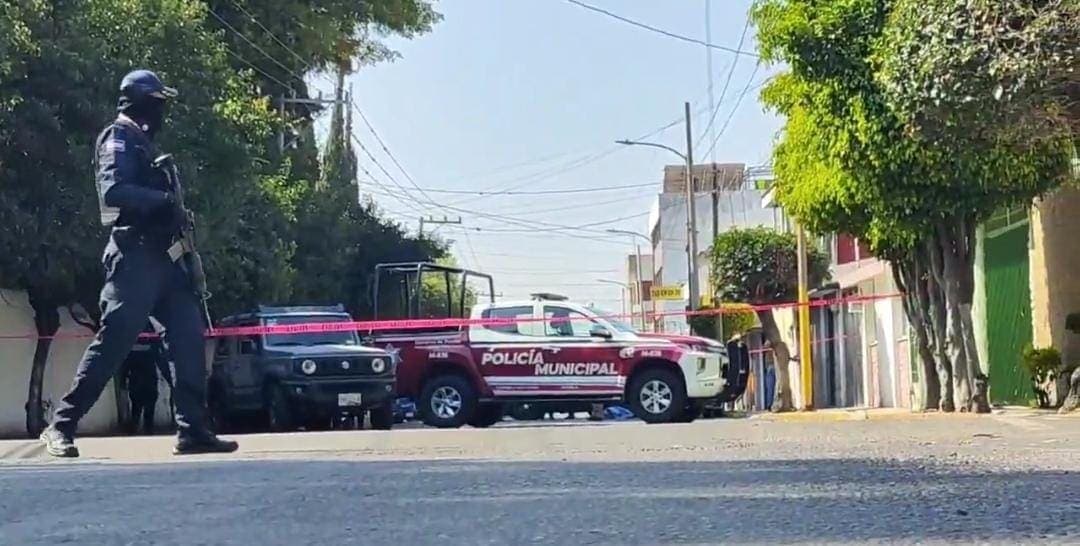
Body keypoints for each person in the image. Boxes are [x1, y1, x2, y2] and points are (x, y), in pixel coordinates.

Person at [39, 69, 237, 457]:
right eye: (158, 102)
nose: (163, 111)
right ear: (141, 102)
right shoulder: (118, 137)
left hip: (168, 260)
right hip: (134, 258)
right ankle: (61, 425)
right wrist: (162, 201)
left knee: (188, 340)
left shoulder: (142, 142)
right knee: (114, 343)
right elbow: (113, 191)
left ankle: (193, 430)